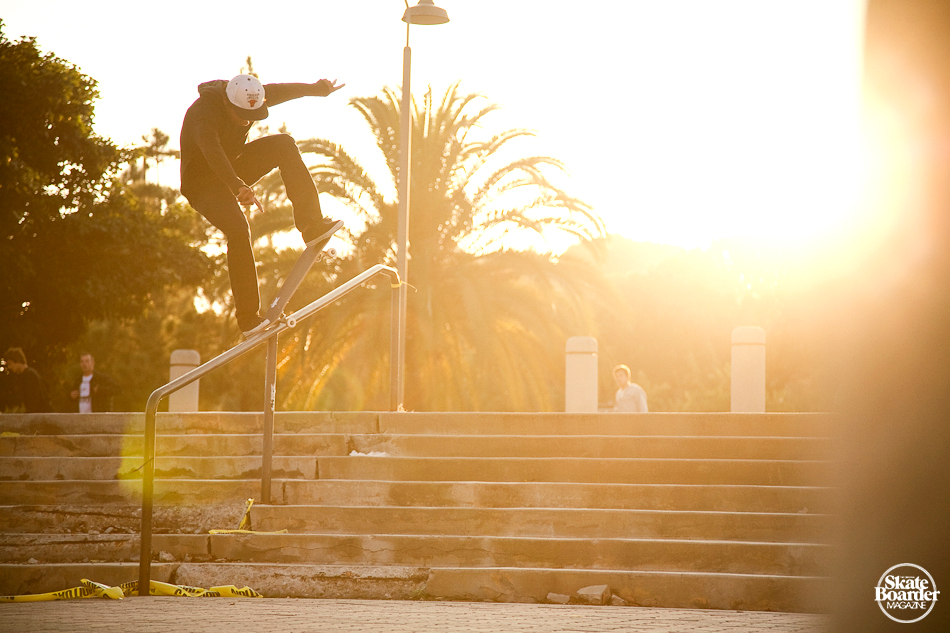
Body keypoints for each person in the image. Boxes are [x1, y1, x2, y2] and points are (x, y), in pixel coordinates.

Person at [180, 73, 345, 337]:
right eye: (242, 117)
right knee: (237, 228)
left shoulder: (250, 96)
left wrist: (318, 89)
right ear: (226, 104)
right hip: (202, 184)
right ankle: (247, 319)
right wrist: (237, 186)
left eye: (252, 116)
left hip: (233, 167)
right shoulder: (203, 116)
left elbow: (284, 90)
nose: (247, 122)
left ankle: (311, 224)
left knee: (284, 144)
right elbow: (212, 151)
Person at [0, 347, 54, 413]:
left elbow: (33, 401)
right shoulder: (25, 375)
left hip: (42, 416)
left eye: (10, 363)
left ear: (18, 361)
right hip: (41, 415)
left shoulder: (29, 375)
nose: (9, 367)